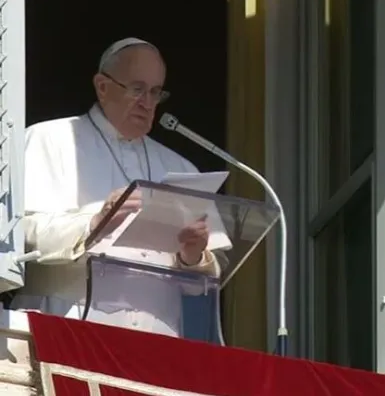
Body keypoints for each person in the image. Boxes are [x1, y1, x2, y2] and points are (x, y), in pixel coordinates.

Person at [7, 38, 223, 344]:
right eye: (137, 89)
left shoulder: (182, 168)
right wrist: (93, 224)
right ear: (102, 86)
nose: (147, 103)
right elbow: (17, 235)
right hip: (66, 325)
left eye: (155, 92)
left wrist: (193, 256)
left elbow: (204, 284)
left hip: (157, 340)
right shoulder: (47, 140)